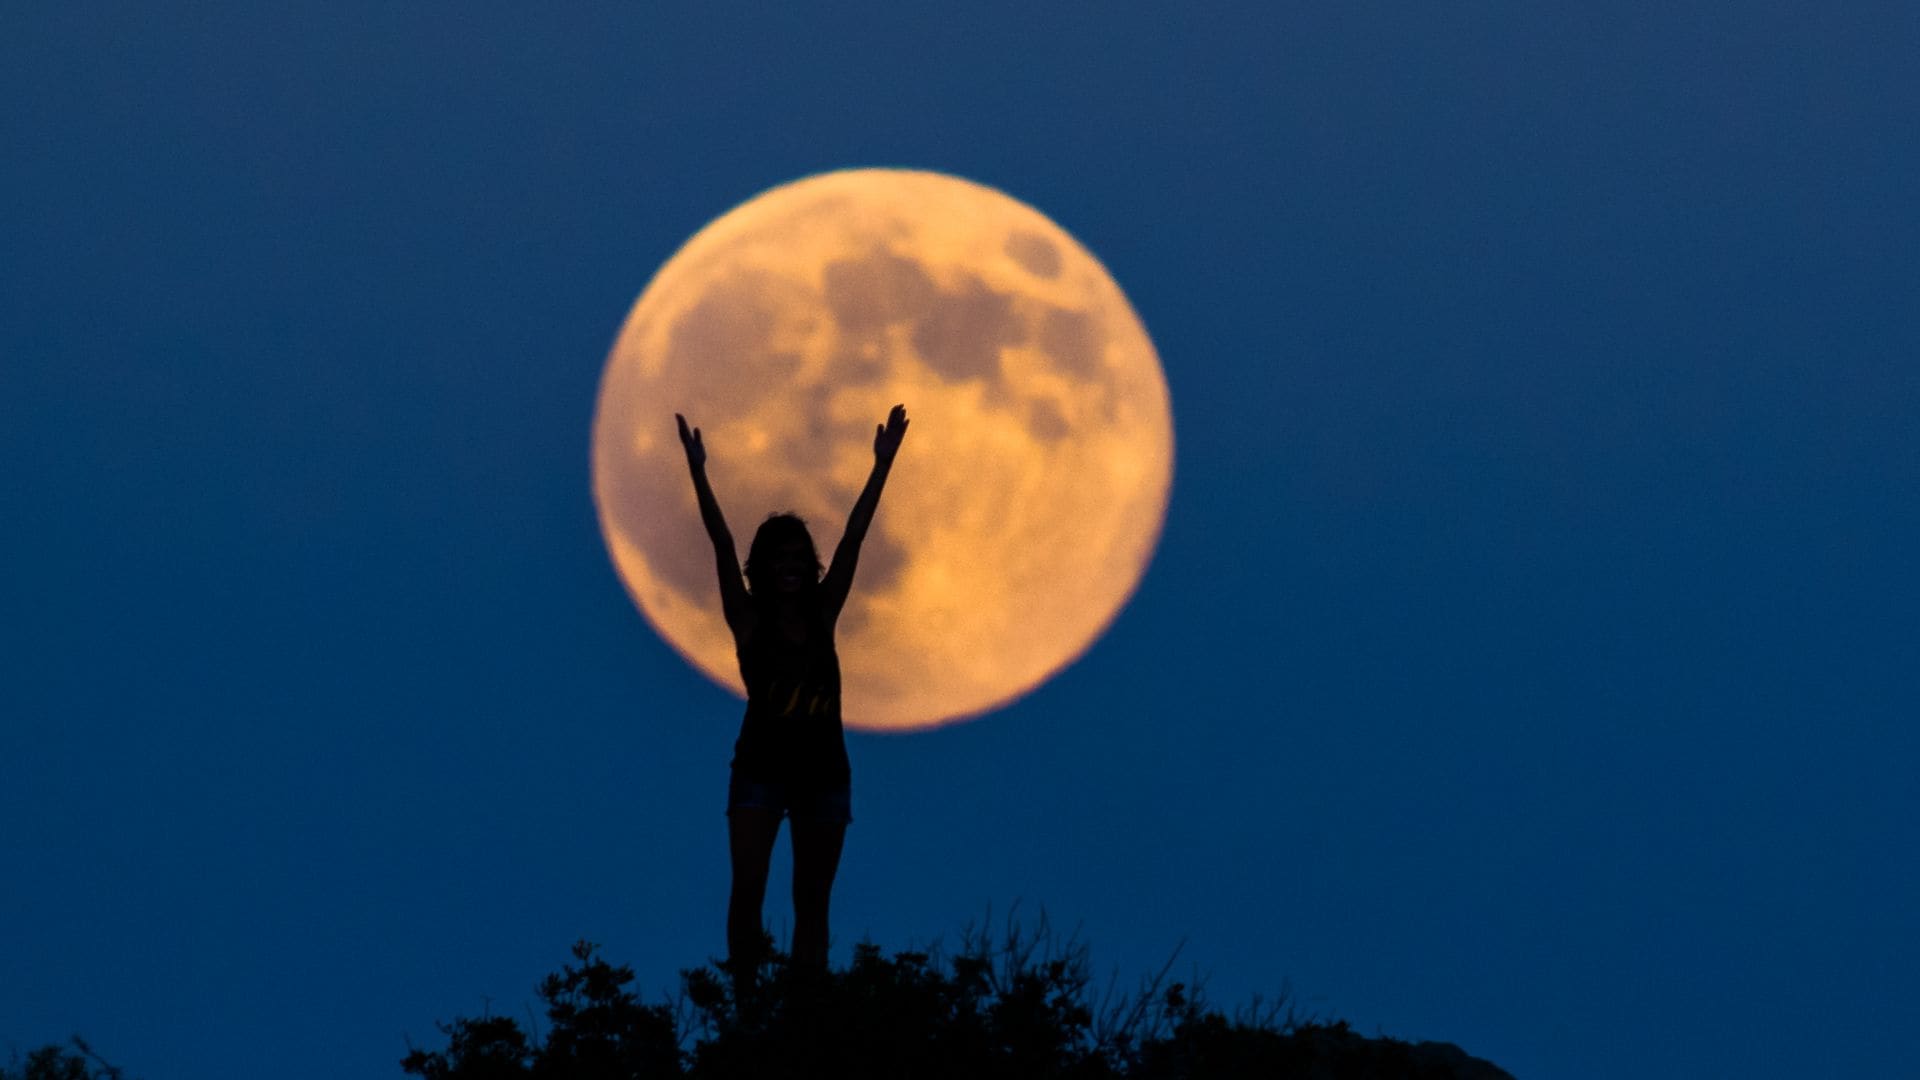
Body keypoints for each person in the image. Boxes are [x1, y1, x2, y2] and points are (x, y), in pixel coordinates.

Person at [675, 404, 909, 970]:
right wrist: (698, 472)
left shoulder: (825, 614)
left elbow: (853, 540)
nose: (791, 566)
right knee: (749, 891)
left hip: (825, 775)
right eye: (779, 558)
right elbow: (721, 545)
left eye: (799, 557)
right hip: (759, 771)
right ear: (764, 566)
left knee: (813, 902)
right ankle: (747, 1002)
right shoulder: (749, 622)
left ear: (811, 565)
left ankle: (807, 1014)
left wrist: (882, 465)